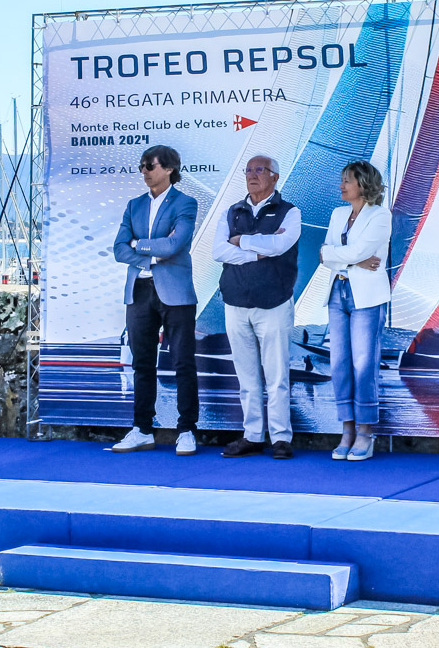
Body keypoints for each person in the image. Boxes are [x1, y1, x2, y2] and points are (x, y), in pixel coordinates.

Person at [112, 145, 200, 455]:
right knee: (142, 363)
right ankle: (142, 429)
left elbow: (175, 245)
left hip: (176, 293)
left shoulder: (185, 203)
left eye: (150, 165)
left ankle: (187, 430)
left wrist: (139, 245)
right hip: (138, 291)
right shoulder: (134, 205)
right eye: (142, 165)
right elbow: (119, 249)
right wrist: (149, 255)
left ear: (169, 169)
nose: (144, 171)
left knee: (183, 362)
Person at [214, 155, 302, 460]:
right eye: (249, 170)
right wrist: (257, 250)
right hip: (235, 302)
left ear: (274, 176)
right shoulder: (231, 211)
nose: (252, 175)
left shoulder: (289, 212)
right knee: (247, 376)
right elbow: (218, 251)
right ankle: (252, 435)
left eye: (260, 170)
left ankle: (281, 437)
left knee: (277, 376)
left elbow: (280, 246)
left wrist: (240, 241)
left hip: (274, 302)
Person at [320, 161, 392, 461]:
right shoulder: (338, 214)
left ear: (363, 184)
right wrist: (354, 261)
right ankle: (347, 429)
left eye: (347, 180)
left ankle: (365, 432)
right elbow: (323, 253)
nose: (342, 185)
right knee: (339, 364)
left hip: (367, 297)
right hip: (338, 292)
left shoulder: (381, 215)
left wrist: (347, 257)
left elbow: (357, 252)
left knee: (364, 365)